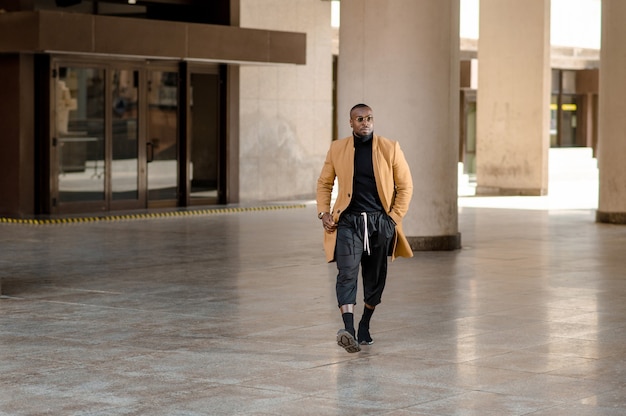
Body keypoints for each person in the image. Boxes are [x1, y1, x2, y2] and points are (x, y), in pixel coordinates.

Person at [316, 103, 414, 353]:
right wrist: (323, 212)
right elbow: (324, 182)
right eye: (359, 119)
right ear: (351, 122)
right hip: (348, 222)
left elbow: (405, 187)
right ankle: (348, 329)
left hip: (378, 223)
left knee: (375, 279)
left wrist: (392, 219)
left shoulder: (389, 148)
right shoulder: (338, 148)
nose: (365, 122)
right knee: (346, 272)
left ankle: (364, 325)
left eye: (369, 118)